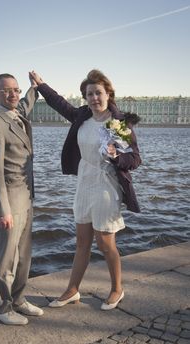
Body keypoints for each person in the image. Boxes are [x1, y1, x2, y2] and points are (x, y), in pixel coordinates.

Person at [30, 69, 141, 310]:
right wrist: (41, 86)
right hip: (84, 182)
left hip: (106, 185)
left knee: (105, 242)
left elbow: (135, 159)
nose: (94, 98)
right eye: (89, 94)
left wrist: (116, 157)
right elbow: (60, 104)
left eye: (98, 93)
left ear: (108, 93)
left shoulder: (119, 123)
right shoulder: (82, 116)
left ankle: (116, 289)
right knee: (81, 241)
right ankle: (72, 290)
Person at [0, 72, 44, 325]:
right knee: (6, 255)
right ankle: (0, 307)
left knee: (24, 254)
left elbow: (26, 103)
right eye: (7, 90)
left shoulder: (17, 114)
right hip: (9, 199)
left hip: (26, 197)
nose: (13, 94)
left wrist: (33, 88)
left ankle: (17, 299)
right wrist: (1, 210)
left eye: (16, 90)